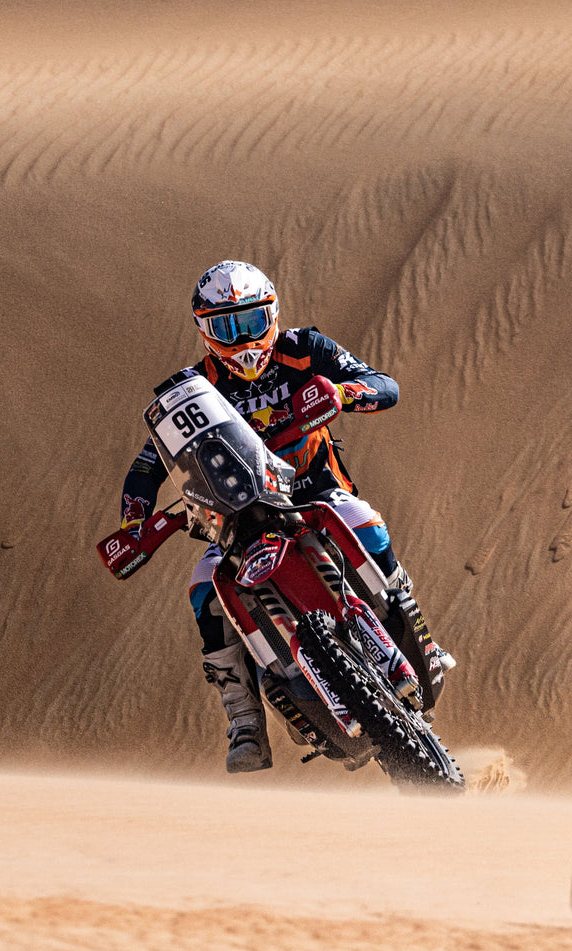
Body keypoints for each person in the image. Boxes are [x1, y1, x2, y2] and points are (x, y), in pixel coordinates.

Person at [118, 260, 433, 773]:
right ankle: (244, 721)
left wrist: (345, 393)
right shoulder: (191, 391)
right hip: (239, 517)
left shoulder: (306, 349)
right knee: (204, 586)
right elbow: (149, 462)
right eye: (226, 327)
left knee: (364, 520)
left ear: (274, 315)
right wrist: (135, 521)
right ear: (204, 331)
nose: (243, 340)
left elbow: (385, 384)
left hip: (316, 492)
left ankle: (407, 615)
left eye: (252, 322)